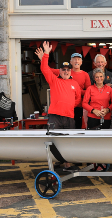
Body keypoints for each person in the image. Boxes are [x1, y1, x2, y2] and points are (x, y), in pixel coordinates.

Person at [35, 41, 81, 172]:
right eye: (63, 69)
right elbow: (44, 69)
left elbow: (78, 99)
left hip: (69, 117)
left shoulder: (75, 83)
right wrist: (46, 54)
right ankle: (53, 164)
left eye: (68, 70)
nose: (66, 71)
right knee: (53, 140)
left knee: (68, 141)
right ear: (59, 71)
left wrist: (70, 106)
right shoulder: (54, 80)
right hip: (55, 116)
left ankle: (67, 164)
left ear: (70, 71)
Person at [51, 52, 91, 129]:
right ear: (71, 61)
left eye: (78, 59)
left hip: (78, 106)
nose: (76, 61)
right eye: (74, 59)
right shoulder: (64, 71)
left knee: (77, 127)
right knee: (63, 128)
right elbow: (48, 71)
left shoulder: (85, 74)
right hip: (64, 107)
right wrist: (42, 59)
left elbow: (89, 91)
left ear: (81, 62)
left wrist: (78, 91)